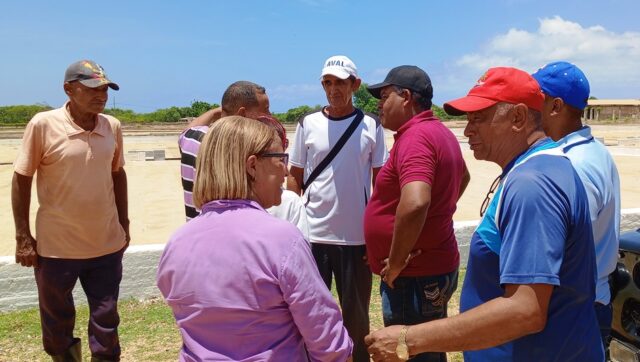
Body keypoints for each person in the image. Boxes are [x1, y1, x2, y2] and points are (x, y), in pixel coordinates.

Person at [365, 67, 603, 361]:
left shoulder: (532, 185)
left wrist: (409, 338)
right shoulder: (534, 170)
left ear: (517, 118)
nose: (467, 130)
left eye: (478, 118)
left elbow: (525, 310)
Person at [157, 116, 353, 361]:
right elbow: (327, 339)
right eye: (280, 158)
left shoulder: (177, 242)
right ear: (252, 166)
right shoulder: (282, 240)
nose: (286, 170)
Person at [12, 60, 129, 361]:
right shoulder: (43, 124)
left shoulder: (112, 126)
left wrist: (123, 223)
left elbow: (118, 174)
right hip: (56, 249)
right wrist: (23, 236)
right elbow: (22, 178)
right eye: (92, 89)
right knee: (56, 322)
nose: (101, 95)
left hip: (105, 244)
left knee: (106, 320)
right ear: (68, 89)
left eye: (104, 89)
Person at [363, 65, 470, 362]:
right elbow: (463, 179)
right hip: (431, 266)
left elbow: (416, 202)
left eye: (385, 96)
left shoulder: (416, 137)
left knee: (411, 353)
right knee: (428, 349)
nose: (379, 104)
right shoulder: (438, 131)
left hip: (414, 276)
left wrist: (396, 260)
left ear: (406, 97)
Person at [287, 55, 388, 362]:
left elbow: (380, 184)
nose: (333, 89)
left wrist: (375, 236)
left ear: (355, 85)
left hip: (355, 239)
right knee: (308, 312)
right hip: (312, 236)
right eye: (327, 83)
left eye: (341, 82)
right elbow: (295, 178)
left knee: (356, 317)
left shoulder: (371, 125)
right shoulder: (308, 124)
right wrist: (291, 232)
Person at [533, 61, 621, 353]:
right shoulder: (595, 151)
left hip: (574, 308)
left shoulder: (572, 164)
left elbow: (560, 244)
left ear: (555, 106)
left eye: (537, 99)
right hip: (594, 298)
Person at [179, 81, 309, 236]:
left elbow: (188, 130)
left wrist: (219, 111)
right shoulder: (239, 153)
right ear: (242, 114)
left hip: (195, 236)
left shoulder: (191, 139)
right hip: (228, 240)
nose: (269, 117)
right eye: (265, 111)